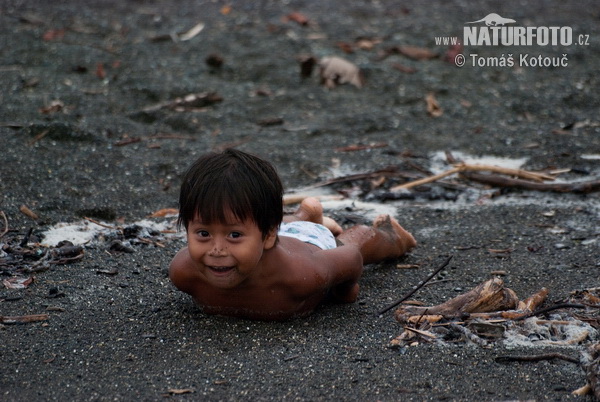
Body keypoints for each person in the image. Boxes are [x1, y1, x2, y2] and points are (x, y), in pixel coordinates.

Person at [169, 149, 417, 320]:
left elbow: (351, 256)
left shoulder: (301, 276)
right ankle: (304, 213)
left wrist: (345, 288)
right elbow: (244, 227)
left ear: (268, 235)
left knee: (356, 238)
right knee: (252, 220)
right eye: (203, 233)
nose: (216, 249)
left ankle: (392, 234)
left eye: (233, 236)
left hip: (310, 242)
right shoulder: (184, 273)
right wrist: (239, 235)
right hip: (274, 232)